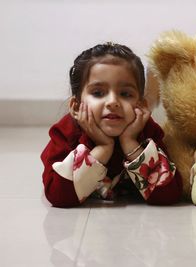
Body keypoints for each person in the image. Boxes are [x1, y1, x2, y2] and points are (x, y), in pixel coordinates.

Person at [40, 42, 182, 207]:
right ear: (76, 106)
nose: (113, 102)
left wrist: (130, 143)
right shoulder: (66, 132)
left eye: (125, 94)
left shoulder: (146, 130)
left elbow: (169, 195)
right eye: (98, 93)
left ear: (141, 105)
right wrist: (102, 148)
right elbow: (58, 196)